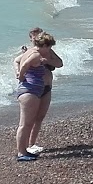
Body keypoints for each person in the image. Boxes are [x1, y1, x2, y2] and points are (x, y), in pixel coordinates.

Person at [12, 32, 62, 160]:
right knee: (25, 123)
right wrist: (21, 75)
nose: (50, 50)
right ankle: (21, 153)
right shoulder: (35, 54)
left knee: (28, 123)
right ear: (44, 45)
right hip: (29, 91)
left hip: (34, 90)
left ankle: (25, 150)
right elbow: (23, 64)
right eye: (49, 47)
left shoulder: (33, 52)